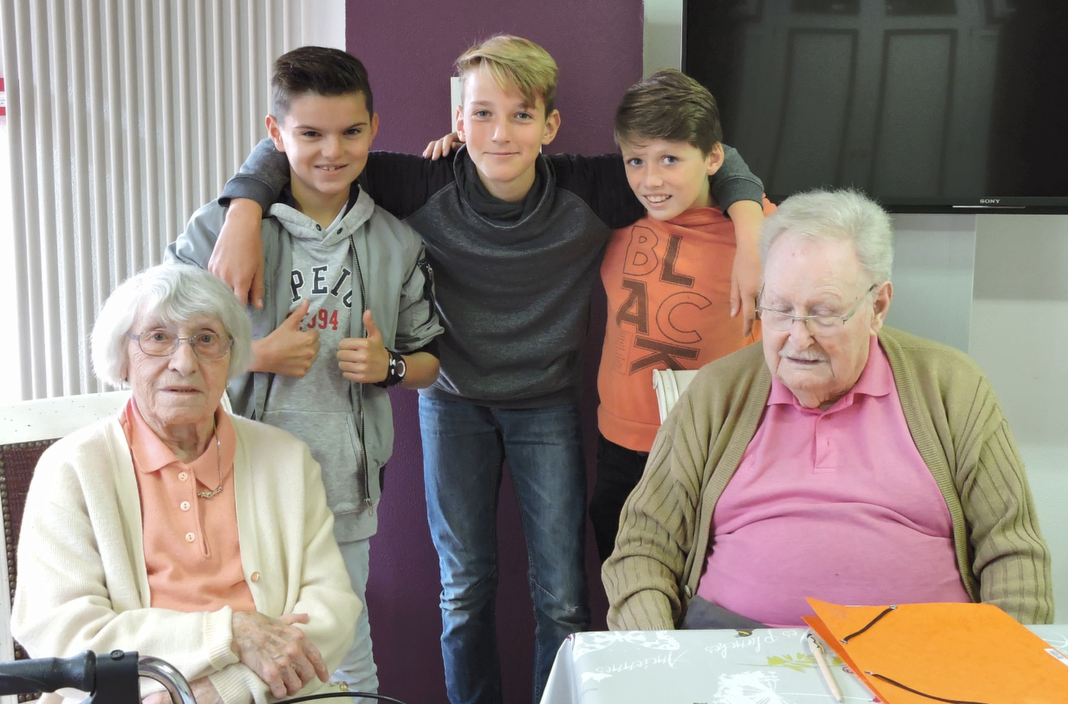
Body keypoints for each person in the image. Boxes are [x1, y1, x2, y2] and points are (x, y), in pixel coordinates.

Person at [208, 36, 766, 704]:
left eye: (520, 116)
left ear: (549, 126)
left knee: (563, 597)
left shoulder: (593, 186)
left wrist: (752, 232)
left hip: (547, 406)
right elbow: (299, 147)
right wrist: (242, 212)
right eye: (482, 115)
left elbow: (712, 155)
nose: (500, 134)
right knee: (463, 591)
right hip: (453, 403)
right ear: (459, 121)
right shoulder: (424, 182)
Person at [602, 188, 1054, 631]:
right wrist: (658, 656)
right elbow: (644, 549)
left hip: (925, 652)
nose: (799, 339)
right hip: (734, 652)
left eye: (823, 312)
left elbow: (1012, 551)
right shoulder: (717, 391)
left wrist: (1003, 663)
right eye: (779, 309)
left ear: (878, 306)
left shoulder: (950, 385)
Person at [167, 46, 444, 699]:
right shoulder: (218, 231)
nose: (332, 151)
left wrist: (388, 366)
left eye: (351, 132)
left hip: (343, 494)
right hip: (231, 491)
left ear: (374, 129)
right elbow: (159, 352)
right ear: (275, 133)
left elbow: (430, 363)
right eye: (311, 133)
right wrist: (252, 354)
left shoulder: (397, 242)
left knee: (346, 662)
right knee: (237, 664)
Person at [11, 264, 360, 704]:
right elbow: (62, 633)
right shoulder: (72, 469)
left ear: (230, 358)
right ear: (122, 359)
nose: (184, 362)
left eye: (206, 339)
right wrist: (229, 633)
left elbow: (331, 609)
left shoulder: (287, 460)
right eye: (158, 338)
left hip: (274, 694)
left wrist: (218, 691)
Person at [588, 69, 776, 563]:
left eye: (670, 159)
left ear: (713, 158)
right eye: (636, 161)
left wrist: (752, 229)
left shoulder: (764, 232)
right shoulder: (615, 215)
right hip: (621, 446)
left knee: (707, 592)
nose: (651, 180)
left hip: (717, 447)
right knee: (626, 583)